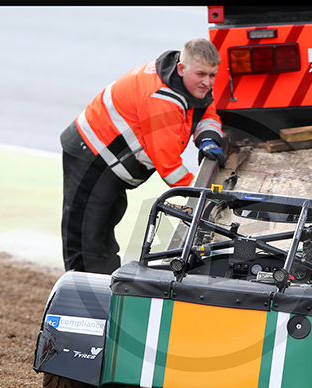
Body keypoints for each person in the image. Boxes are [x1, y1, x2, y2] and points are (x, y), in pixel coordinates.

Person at [60, 37, 225, 274]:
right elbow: (169, 166)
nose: (207, 82)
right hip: (91, 157)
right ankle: (84, 293)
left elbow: (208, 111)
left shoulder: (188, 80)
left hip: (108, 161)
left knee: (103, 232)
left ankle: (106, 287)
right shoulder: (162, 100)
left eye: (212, 75)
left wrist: (208, 139)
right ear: (181, 68)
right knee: (86, 238)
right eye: (201, 74)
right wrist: (201, 195)